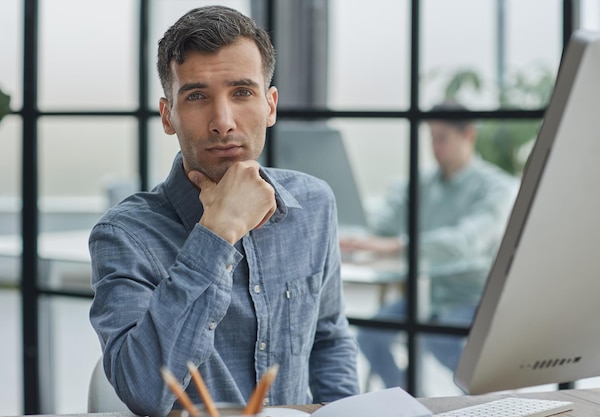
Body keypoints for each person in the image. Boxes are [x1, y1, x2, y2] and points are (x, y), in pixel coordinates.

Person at [89, 6, 359, 417]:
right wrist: (217, 232)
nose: (223, 121)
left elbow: (329, 340)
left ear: (270, 106)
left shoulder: (314, 203)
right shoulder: (124, 235)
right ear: (168, 116)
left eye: (242, 92)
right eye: (197, 96)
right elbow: (144, 391)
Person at [342, 101, 518, 389]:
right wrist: (352, 232)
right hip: (427, 294)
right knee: (370, 335)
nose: (436, 147)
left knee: (435, 338)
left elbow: (464, 243)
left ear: (468, 136)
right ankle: (411, 398)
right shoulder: (422, 183)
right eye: (432, 138)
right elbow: (383, 223)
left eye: (443, 138)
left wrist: (399, 245)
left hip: (473, 297)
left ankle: (486, 398)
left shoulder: (496, 187)